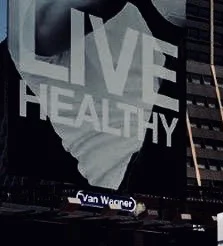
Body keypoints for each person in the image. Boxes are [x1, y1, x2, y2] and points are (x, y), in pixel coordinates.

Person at [4, 0, 187, 195]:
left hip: (158, 161)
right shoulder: (25, 14)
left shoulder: (130, 13)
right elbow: (48, 25)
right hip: (127, 171)